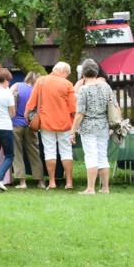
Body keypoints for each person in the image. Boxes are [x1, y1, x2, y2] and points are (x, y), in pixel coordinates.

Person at [26, 61, 76, 190]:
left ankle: (52, 182)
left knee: (49, 152)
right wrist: (76, 124)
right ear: (64, 71)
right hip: (64, 123)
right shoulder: (68, 84)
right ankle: (69, 182)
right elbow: (72, 108)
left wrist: (26, 115)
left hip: (46, 122)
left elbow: (31, 102)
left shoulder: (41, 81)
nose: (67, 76)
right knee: (66, 152)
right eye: (68, 74)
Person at [69, 60, 112, 194]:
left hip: (88, 127)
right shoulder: (106, 86)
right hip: (103, 125)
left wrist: (72, 131)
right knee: (103, 156)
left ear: (83, 73)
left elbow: (80, 112)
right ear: (97, 72)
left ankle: (90, 188)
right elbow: (114, 106)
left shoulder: (84, 89)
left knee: (91, 156)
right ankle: (105, 188)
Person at [9, 71, 45, 189]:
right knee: (34, 152)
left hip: (15, 124)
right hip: (31, 125)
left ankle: (22, 182)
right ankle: (40, 181)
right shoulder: (37, 91)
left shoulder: (17, 86)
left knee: (17, 153)